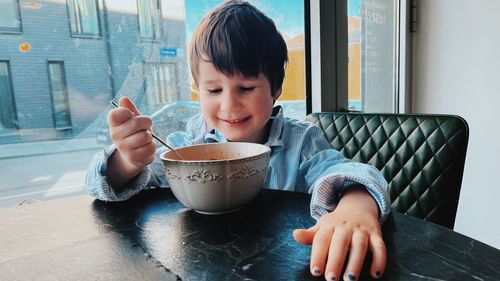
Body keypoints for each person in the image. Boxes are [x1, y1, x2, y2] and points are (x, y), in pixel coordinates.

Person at [86, 1, 391, 280]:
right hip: (198, 265)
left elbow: (348, 172)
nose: (229, 106)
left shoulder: (300, 142)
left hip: (279, 265)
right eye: (214, 90)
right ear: (198, 90)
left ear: (275, 89)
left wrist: (356, 206)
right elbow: (101, 184)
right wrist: (127, 160)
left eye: (245, 87)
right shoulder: (185, 145)